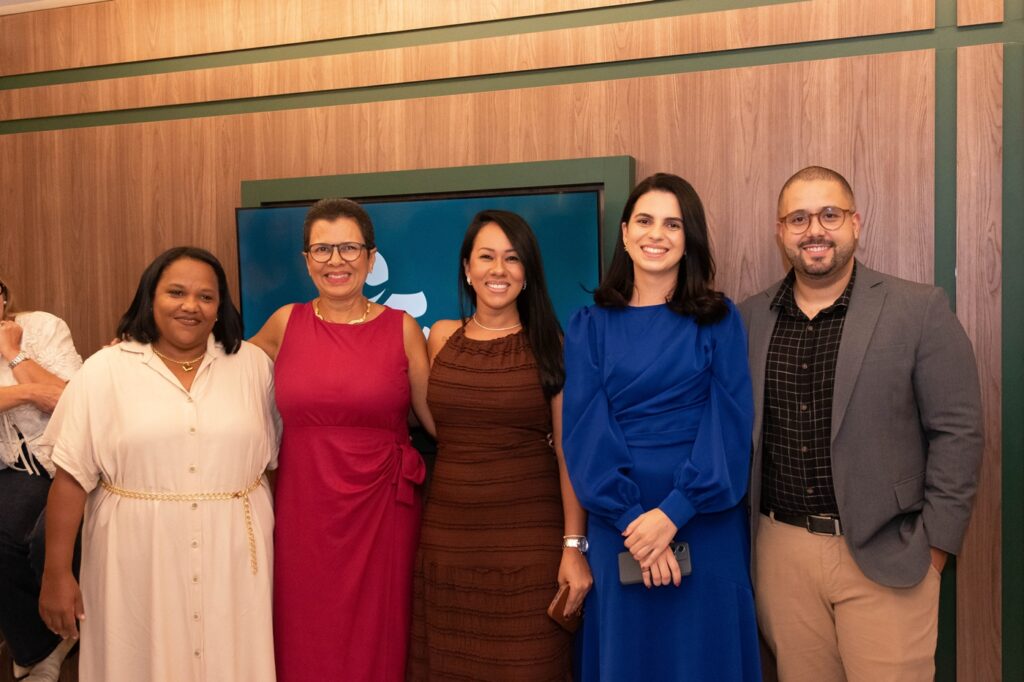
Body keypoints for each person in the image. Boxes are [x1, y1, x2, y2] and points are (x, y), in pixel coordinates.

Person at [739, 166, 983, 681]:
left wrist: (934, 550)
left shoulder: (917, 308)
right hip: (780, 554)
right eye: (798, 218)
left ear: (855, 222)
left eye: (829, 214)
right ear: (780, 231)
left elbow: (958, 431)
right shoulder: (748, 319)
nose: (815, 230)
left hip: (889, 554)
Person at [38, 247, 280, 682]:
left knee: (232, 656)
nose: (191, 306)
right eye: (176, 292)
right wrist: (56, 574)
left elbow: (274, 461)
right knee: (136, 657)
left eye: (206, 296)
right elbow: (71, 478)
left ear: (221, 307)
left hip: (234, 555)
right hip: (133, 555)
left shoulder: (253, 366)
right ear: (150, 298)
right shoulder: (104, 371)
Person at [562, 173, 760, 680]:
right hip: (619, 526)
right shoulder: (588, 326)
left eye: (673, 224)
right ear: (625, 233)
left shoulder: (719, 319)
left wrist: (673, 513)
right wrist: (636, 523)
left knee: (704, 658)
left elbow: (730, 428)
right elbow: (584, 435)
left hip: (704, 520)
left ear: (689, 239)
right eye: (645, 221)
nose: (657, 234)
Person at [250, 198, 434, 682]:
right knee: (304, 630)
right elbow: (220, 376)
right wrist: (145, 352)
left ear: (371, 258)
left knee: (380, 632)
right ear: (306, 260)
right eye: (322, 249)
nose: (336, 260)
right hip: (303, 509)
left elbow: (437, 420)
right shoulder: (284, 323)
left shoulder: (402, 328)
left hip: (382, 511)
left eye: (349, 248)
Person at [407, 210, 592, 680]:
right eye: (486, 256)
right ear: (467, 268)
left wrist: (573, 546)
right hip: (449, 544)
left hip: (528, 547)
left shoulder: (551, 344)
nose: (498, 269)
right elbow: (440, 426)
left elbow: (568, 451)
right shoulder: (441, 338)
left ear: (527, 272)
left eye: (512, 258)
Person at [0, 278, 82, 682]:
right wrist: (28, 393)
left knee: (43, 541)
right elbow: (45, 395)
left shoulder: (43, 327)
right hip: (12, 466)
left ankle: (59, 633)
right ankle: (39, 647)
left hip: (64, 459)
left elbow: (73, 398)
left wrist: (13, 354)